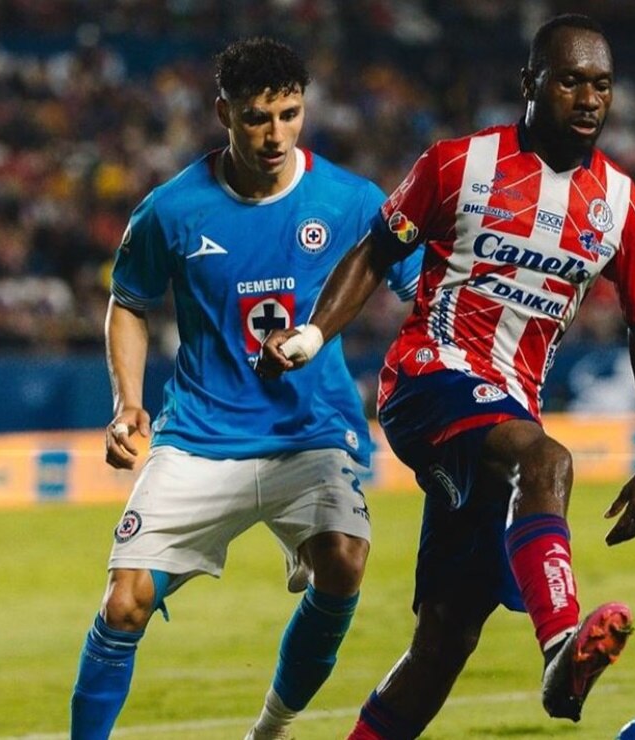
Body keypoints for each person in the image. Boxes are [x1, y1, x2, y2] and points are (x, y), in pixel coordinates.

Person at [259, 14, 635, 735]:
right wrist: (311, 333)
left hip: (504, 410)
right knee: (545, 460)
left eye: (600, 86)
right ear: (529, 85)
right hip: (428, 378)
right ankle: (560, 647)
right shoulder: (459, 165)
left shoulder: (623, 209)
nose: (587, 99)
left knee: (445, 640)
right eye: (570, 81)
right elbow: (374, 251)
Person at [69, 38, 422, 740]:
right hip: (201, 437)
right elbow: (129, 302)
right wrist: (127, 402)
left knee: (344, 563)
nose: (275, 134)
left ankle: (270, 729)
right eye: (258, 118)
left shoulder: (352, 202)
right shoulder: (170, 211)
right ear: (223, 111)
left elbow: (424, 295)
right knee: (124, 604)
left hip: (311, 434)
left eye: (290, 115)